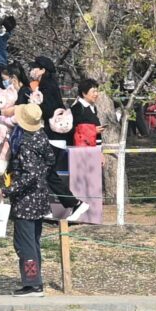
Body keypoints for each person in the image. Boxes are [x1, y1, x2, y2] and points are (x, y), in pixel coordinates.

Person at [6, 101, 58, 295]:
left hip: (26, 200)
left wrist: (9, 189)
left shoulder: (26, 143)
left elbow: (30, 175)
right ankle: (36, 279)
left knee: (24, 242)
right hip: (41, 196)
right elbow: (51, 160)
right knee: (33, 241)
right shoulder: (41, 136)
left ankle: (32, 282)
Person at [67, 79, 107, 224]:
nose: (96, 94)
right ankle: (80, 212)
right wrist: (92, 130)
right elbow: (75, 131)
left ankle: (92, 213)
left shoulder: (92, 108)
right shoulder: (77, 109)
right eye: (93, 91)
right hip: (81, 153)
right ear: (84, 93)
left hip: (92, 150)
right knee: (83, 183)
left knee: (92, 183)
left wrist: (99, 151)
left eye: (97, 91)